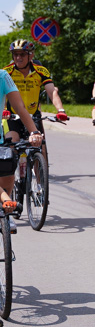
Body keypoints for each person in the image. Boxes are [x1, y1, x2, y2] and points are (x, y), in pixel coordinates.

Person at [3, 39, 66, 164]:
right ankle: (14, 178)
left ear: (30, 55)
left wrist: (61, 110)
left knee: (40, 150)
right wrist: (5, 110)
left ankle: (40, 182)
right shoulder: (7, 72)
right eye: (15, 54)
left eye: (22, 54)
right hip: (12, 116)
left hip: (34, 116)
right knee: (12, 145)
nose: (18, 57)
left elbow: (51, 91)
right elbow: (2, 94)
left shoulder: (40, 71)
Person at [0, 68, 43, 232]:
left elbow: (19, 107)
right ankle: (5, 199)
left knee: (8, 170)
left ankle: (6, 213)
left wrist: (34, 132)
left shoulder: (3, 76)